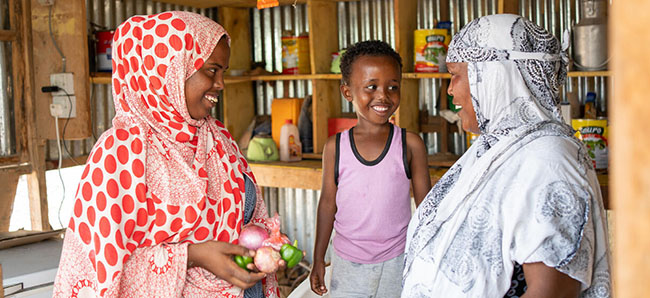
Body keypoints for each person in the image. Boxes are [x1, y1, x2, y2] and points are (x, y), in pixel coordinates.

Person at [53, 11, 283, 297]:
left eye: (223, 71)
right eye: (211, 70)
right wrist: (192, 256)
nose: (221, 84)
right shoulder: (121, 154)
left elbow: (248, 217)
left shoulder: (217, 140)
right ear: (168, 69)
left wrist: (268, 248)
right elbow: (95, 272)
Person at [401, 14, 611, 298]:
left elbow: (553, 292)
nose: (450, 90)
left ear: (493, 76)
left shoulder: (548, 160)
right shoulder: (496, 147)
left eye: (456, 75)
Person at [310, 40, 432, 298]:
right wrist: (318, 258)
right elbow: (327, 205)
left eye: (393, 87)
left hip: (397, 259)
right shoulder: (336, 147)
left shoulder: (410, 145)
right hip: (347, 262)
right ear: (347, 92)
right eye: (371, 87)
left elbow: (427, 210)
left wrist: (428, 258)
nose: (383, 96)